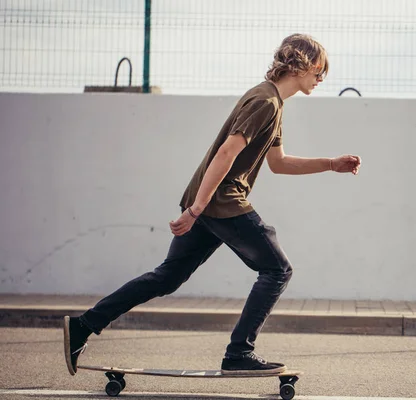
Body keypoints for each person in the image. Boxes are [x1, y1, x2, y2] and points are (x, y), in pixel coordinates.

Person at [63, 33, 361, 376]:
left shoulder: (273, 103)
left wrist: (330, 163)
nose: (321, 78)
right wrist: (196, 209)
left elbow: (278, 163)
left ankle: (84, 326)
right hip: (222, 201)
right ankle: (238, 353)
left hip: (209, 204)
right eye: (319, 70)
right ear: (301, 64)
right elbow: (226, 153)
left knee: (166, 278)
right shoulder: (265, 102)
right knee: (278, 270)